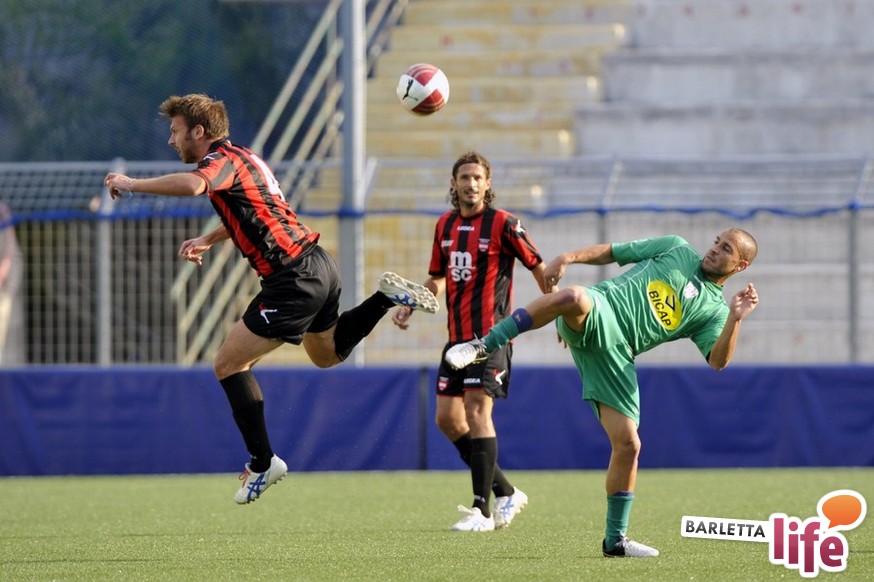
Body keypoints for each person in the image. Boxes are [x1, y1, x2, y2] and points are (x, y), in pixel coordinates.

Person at [103, 93, 438, 505]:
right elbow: (259, 210)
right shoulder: (246, 157)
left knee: (228, 364)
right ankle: (384, 298)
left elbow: (193, 185)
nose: (171, 140)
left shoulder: (219, 161)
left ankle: (263, 462)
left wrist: (131, 184)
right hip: (318, 265)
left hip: (291, 279)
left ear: (198, 131)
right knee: (327, 354)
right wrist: (210, 237)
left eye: (175, 131)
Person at [445, 229, 759, 555]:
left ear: (741, 265)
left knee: (628, 445)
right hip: (599, 310)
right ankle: (484, 344)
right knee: (573, 297)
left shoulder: (714, 310)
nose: (715, 249)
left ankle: (615, 540)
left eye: (726, 249)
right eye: (717, 242)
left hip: (617, 354)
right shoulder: (676, 248)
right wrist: (567, 257)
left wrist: (735, 319)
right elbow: (613, 251)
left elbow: (717, 361)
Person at [391, 151, 548, 532]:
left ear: (488, 184)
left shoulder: (505, 223)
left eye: (478, 178)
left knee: (478, 411)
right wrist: (412, 303)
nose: (471, 184)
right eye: (465, 177)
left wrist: (559, 314)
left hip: (491, 337)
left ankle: (482, 510)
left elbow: (539, 267)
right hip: (456, 339)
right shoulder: (444, 225)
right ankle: (506, 491)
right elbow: (437, 277)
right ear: (454, 183)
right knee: (447, 420)